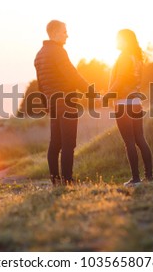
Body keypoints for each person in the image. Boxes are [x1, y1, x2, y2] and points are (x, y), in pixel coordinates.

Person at [34, 20, 89, 186]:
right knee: (68, 143)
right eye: (65, 31)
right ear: (56, 32)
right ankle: (67, 180)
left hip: (53, 103)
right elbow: (72, 75)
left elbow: (40, 84)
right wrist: (91, 92)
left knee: (55, 143)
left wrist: (47, 104)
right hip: (66, 101)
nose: (67, 35)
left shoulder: (40, 54)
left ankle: (54, 179)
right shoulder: (58, 51)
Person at [107, 29, 153, 187]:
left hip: (123, 103)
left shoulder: (124, 57)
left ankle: (135, 179)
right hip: (135, 102)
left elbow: (119, 81)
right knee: (140, 139)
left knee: (129, 142)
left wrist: (107, 95)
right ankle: (149, 176)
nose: (116, 42)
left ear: (125, 40)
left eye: (118, 39)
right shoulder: (137, 58)